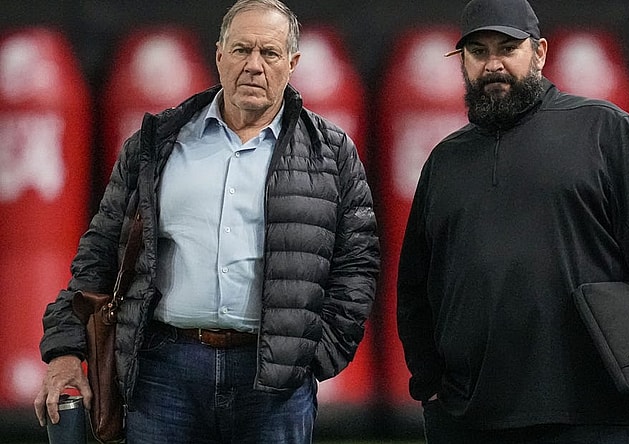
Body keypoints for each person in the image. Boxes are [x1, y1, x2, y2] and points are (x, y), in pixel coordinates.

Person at [34, 0, 380, 442]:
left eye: (269, 53)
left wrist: (316, 355)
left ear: (292, 64)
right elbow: (100, 251)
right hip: (164, 373)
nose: (253, 65)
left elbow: (358, 264)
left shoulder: (331, 154)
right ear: (219, 55)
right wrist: (64, 350)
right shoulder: (157, 142)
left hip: (273, 382)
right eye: (241, 50)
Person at [396, 0, 629, 442]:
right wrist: (428, 383)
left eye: (508, 48)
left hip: (594, 411)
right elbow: (416, 284)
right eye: (478, 51)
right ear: (463, 60)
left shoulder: (605, 130)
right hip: (471, 416)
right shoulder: (445, 160)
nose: (493, 64)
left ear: (540, 53)